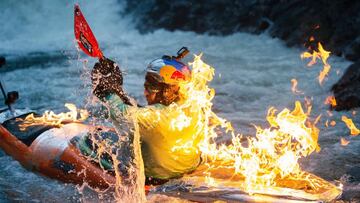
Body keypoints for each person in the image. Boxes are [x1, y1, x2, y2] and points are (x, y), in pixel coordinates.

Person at [82, 47, 204, 182]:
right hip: (190, 167)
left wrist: (107, 92)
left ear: (167, 91)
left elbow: (120, 114)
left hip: (156, 177)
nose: (145, 92)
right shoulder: (194, 105)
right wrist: (121, 94)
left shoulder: (151, 118)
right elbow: (148, 115)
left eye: (150, 87)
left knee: (89, 141)